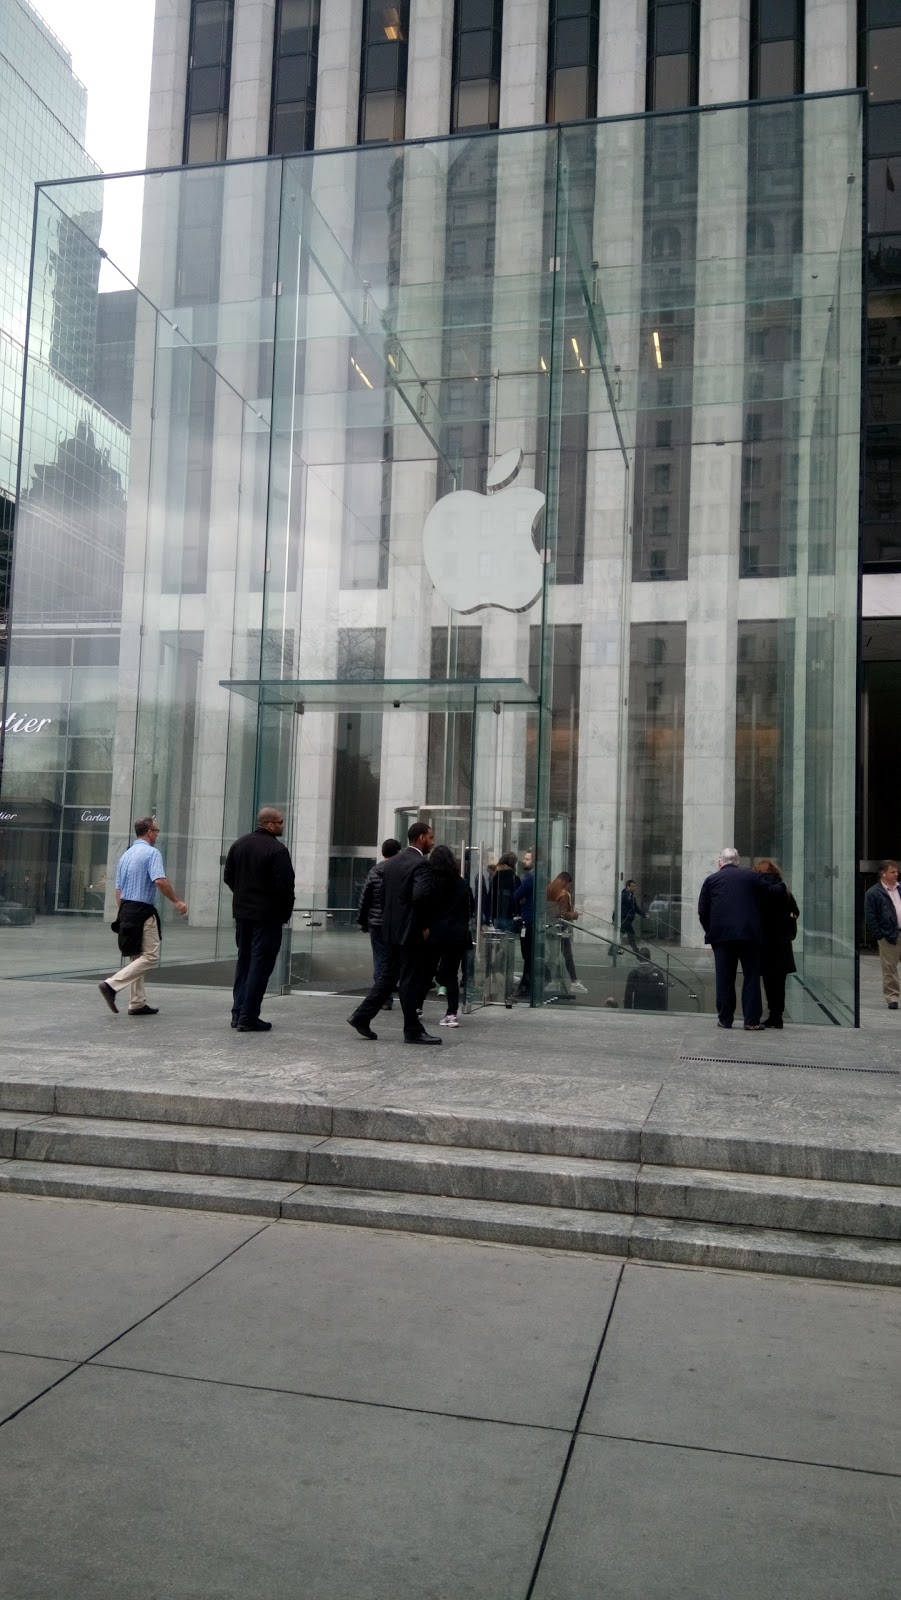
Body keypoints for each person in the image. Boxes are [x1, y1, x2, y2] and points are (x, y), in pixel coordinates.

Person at [347, 820, 442, 1045]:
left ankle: (361, 1015)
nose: (432, 841)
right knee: (409, 979)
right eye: (430, 837)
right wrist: (423, 925)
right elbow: (421, 896)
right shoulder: (421, 864)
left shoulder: (390, 864)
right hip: (410, 932)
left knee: (389, 976)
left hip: (389, 930)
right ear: (421, 838)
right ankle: (412, 1029)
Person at [98, 817, 188, 1016]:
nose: (157, 835)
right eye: (156, 831)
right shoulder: (152, 853)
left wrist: (122, 913)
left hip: (126, 909)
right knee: (151, 956)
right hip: (143, 910)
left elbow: (118, 890)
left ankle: (137, 1003)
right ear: (149, 832)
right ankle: (111, 985)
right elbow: (160, 881)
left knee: (136, 957)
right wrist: (177, 901)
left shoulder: (126, 855)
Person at [223, 806, 295, 1032]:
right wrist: (283, 913)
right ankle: (249, 1015)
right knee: (260, 965)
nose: (283, 825)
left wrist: (244, 896)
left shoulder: (239, 844)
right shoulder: (277, 850)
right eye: (281, 822)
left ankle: (238, 1012)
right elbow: (285, 887)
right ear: (270, 824)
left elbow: (229, 877)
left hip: (243, 915)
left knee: (244, 962)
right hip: (268, 916)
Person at [697, 847, 777, 1030]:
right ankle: (751, 1021)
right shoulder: (752, 877)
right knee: (751, 978)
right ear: (738, 861)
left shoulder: (711, 880)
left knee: (725, 979)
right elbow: (771, 894)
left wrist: (711, 930)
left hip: (722, 937)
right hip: (749, 936)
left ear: (720, 862)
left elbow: (702, 910)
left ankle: (725, 1019)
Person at [420, 844, 474, 1027]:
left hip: (434, 934)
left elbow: (424, 907)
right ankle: (451, 1014)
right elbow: (470, 908)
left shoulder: (430, 882)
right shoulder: (462, 883)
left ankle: (417, 1007)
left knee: (426, 972)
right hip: (457, 935)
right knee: (450, 975)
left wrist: (424, 926)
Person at [753, 859, 799, 1029]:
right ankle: (777, 1016)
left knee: (767, 980)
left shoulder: (758, 891)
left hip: (764, 941)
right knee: (780, 982)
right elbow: (796, 912)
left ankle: (771, 1015)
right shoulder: (784, 890)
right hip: (782, 943)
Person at [358, 838, 402, 1009]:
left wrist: (362, 921)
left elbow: (365, 898)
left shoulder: (374, 871)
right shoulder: (400, 871)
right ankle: (388, 993)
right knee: (394, 960)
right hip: (395, 924)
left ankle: (384, 998)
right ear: (398, 852)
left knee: (380, 960)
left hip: (376, 923)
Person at [864, 859, 901, 1011]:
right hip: (888, 935)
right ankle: (892, 997)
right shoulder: (873, 893)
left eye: (897, 871)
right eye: (892, 872)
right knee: (889, 968)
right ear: (883, 873)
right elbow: (870, 916)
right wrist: (879, 935)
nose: (896, 874)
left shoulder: (900, 889)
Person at [546, 872, 588, 993]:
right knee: (568, 955)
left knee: (553, 956)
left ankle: (555, 980)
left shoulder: (549, 890)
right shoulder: (563, 894)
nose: (570, 886)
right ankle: (574, 982)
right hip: (561, 928)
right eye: (570, 884)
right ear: (566, 882)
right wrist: (575, 914)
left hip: (551, 927)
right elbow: (563, 915)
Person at [513, 849, 535, 997]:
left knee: (527, 954)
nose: (524, 861)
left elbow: (516, 895)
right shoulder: (535, 876)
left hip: (528, 920)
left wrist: (520, 899)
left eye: (527, 859)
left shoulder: (530, 878)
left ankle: (526, 984)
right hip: (530, 918)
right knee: (529, 955)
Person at [491, 852, 520, 931]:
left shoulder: (494, 876)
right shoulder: (514, 878)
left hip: (495, 915)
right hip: (509, 914)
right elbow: (517, 897)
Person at [620, 880, 646, 958]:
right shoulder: (624, 895)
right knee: (631, 936)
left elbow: (635, 908)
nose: (635, 888)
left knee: (621, 935)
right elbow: (621, 906)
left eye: (635, 886)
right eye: (633, 886)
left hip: (628, 919)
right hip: (625, 919)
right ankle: (637, 954)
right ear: (628, 886)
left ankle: (612, 951)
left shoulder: (631, 895)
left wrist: (644, 914)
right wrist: (626, 914)